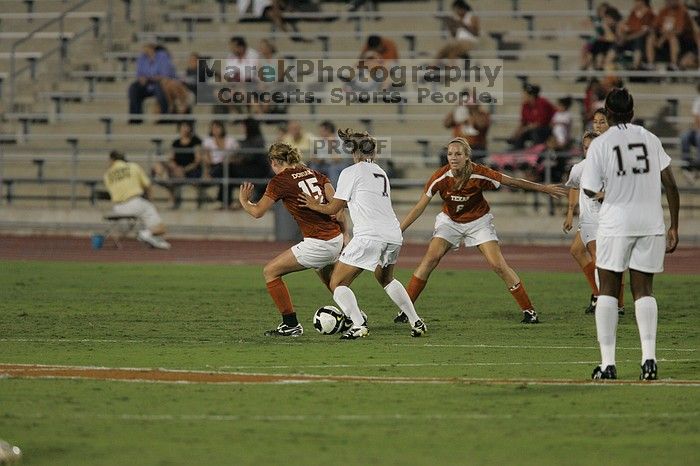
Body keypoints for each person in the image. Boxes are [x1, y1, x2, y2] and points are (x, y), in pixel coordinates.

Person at [397, 137, 567, 324]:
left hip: (479, 222)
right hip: (450, 221)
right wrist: (400, 230)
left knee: (497, 265)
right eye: (450, 154)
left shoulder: (479, 173)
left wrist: (543, 188)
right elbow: (419, 207)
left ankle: (529, 310)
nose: (453, 158)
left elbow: (512, 182)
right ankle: (406, 311)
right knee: (430, 259)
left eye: (458, 154)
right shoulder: (440, 177)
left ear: (467, 157)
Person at [581, 88, 680, 380]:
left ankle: (608, 364)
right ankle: (649, 361)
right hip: (650, 223)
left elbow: (589, 187)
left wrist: (605, 194)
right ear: (633, 111)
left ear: (607, 114)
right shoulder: (650, 139)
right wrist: (674, 225)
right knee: (644, 291)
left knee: (608, 291)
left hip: (615, 223)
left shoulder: (601, 144)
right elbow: (671, 185)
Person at [299, 128, 427, 339]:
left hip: (370, 236)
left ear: (353, 151)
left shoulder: (350, 172)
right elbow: (364, 202)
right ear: (373, 153)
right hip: (393, 235)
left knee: (337, 283)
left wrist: (314, 205)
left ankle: (358, 325)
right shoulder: (381, 172)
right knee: (386, 278)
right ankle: (416, 320)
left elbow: (334, 209)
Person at [238, 142, 347, 337]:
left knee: (270, 272)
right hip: (335, 238)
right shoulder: (315, 174)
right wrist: (345, 236)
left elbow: (257, 212)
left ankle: (291, 324)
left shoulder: (279, 181)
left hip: (318, 243)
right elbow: (338, 209)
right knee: (331, 281)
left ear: (274, 162)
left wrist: (244, 201)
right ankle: (355, 316)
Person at [103, 150, 171, 249]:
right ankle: (146, 234)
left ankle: (152, 239)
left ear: (112, 160)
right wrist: (150, 202)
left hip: (117, 208)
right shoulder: (133, 167)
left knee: (144, 217)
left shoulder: (107, 175)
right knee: (161, 228)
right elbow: (147, 185)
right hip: (135, 202)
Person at [153, 120, 203, 209]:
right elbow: (171, 158)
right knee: (158, 165)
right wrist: (175, 167)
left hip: (190, 170)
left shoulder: (196, 141)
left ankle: (171, 196)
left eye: (187, 127)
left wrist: (184, 169)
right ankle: (167, 184)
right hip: (176, 169)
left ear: (190, 128)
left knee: (169, 174)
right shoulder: (176, 142)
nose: (185, 129)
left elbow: (197, 160)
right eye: (183, 127)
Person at [128, 44, 177, 123]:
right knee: (133, 88)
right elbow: (139, 74)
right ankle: (135, 118)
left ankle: (165, 116)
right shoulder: (142, 58)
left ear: (152, 47)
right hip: (147, 84)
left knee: (159, 87)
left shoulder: (162, 56)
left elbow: (165, 75)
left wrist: (149, 77)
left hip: (160, 83)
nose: (144, 49)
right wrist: (142, 78)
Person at [645, 0, 697, 70]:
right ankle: (651, 64)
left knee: (673, 38)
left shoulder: (682, 11)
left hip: (683, 42)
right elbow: (654, 27)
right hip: (665, 42)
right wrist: (654, 34)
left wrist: (663, 38)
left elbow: (679, 31)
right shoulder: (663, 11)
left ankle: (674, 64)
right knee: (650, 37)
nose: (669, 2)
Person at [202, 121, 240, 209]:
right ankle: (226, 202)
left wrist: (229, 160)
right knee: (225, 171)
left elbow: (237, 155)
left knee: (227, 171)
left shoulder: (230, 140)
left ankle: (221, 200)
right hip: (215, 167)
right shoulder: (208, 141)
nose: (216, 130)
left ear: (222, 128)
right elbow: (207, 160)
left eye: (217, 127)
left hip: (229, 166)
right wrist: (206, 172)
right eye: (213, 128)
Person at [507, 83, 556, 150]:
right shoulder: (525, 106)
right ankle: (517, 153)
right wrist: (515, 135)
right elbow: (523, 123)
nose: (522, 96)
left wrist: (526, 128)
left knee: (536, 132)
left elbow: (541, 122)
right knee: (520, 135)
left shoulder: (542, 103)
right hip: (531, 129)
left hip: (546, 129)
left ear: (531, 96)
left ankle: (537, 153)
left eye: (525, 94)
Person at [443, 97, 490, 162]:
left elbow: (482, 125)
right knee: (444, 154)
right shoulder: (459, 113)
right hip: (458, 145)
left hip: (475, 146)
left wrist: (473, 110)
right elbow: (446, 124)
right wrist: (456, 108)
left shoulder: (482, 114)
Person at [616, 0, 656, 70]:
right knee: (617, 41)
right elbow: (628, 26)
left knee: (638, 40)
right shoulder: (633, 13)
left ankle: (635, 66)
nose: (635, 3)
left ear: (643, 2)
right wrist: (622, 32)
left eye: (637, 1)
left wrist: (628, 37)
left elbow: (643, 31)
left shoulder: (649, 14)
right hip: (630, 37)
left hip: (642, 39)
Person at [680, 83, 700, 182]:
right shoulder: (698, 100)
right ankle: (686, 164)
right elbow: (696, 118)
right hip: (698, 129)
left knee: (699, 137)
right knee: (684, 136)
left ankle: (698, 165)